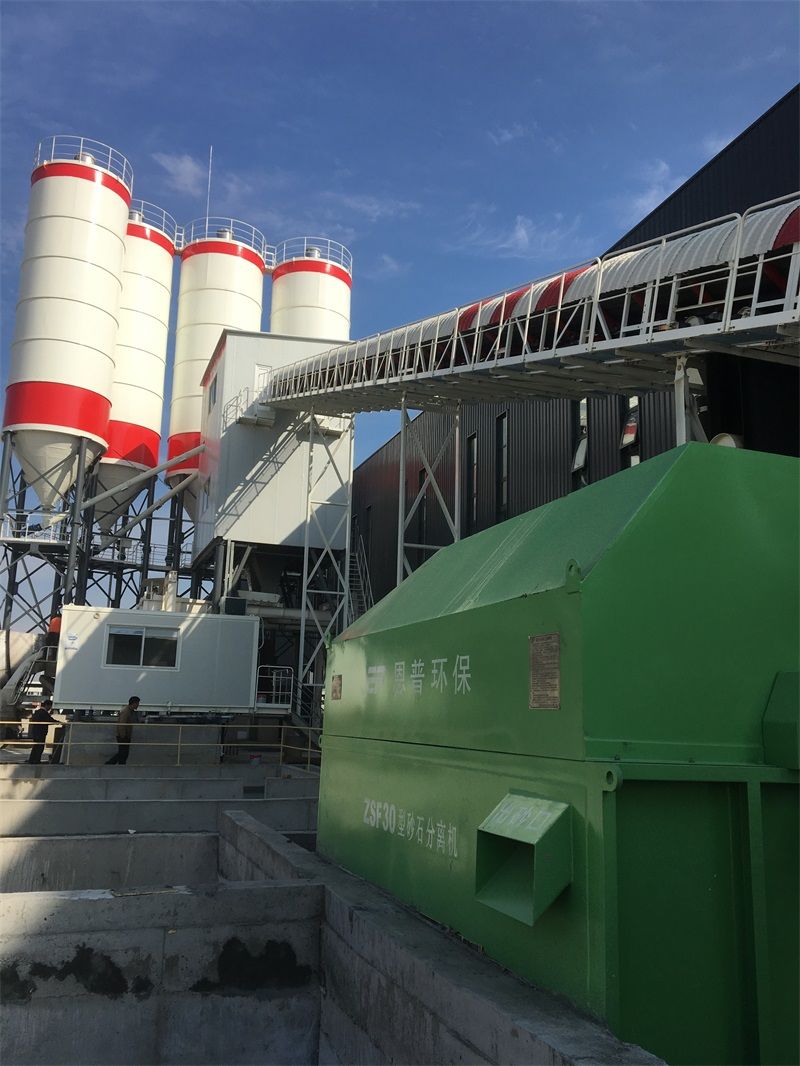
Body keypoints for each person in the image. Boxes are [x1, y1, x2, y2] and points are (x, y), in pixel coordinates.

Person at [106, 696, 140, 765]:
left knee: (123, 753)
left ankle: (118, 765)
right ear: (133, 703)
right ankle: (110, 764)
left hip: (125, 736)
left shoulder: (129, 711)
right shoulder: (126, 712)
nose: (138, 705)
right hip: (123, 737)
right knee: (123, 753)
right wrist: (123, 736)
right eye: (137, 703)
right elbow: (121, 724)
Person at [27, 700, 56, 764]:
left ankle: (32, 760)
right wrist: (58, 722)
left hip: (35, 732)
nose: (50, 708)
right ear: (47, 705)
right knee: (40, 747)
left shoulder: (37, 712)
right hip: (41, 732)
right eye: (50, 706)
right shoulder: (44, 713)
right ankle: (37, 760)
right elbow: (50, 720)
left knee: (35, 747)